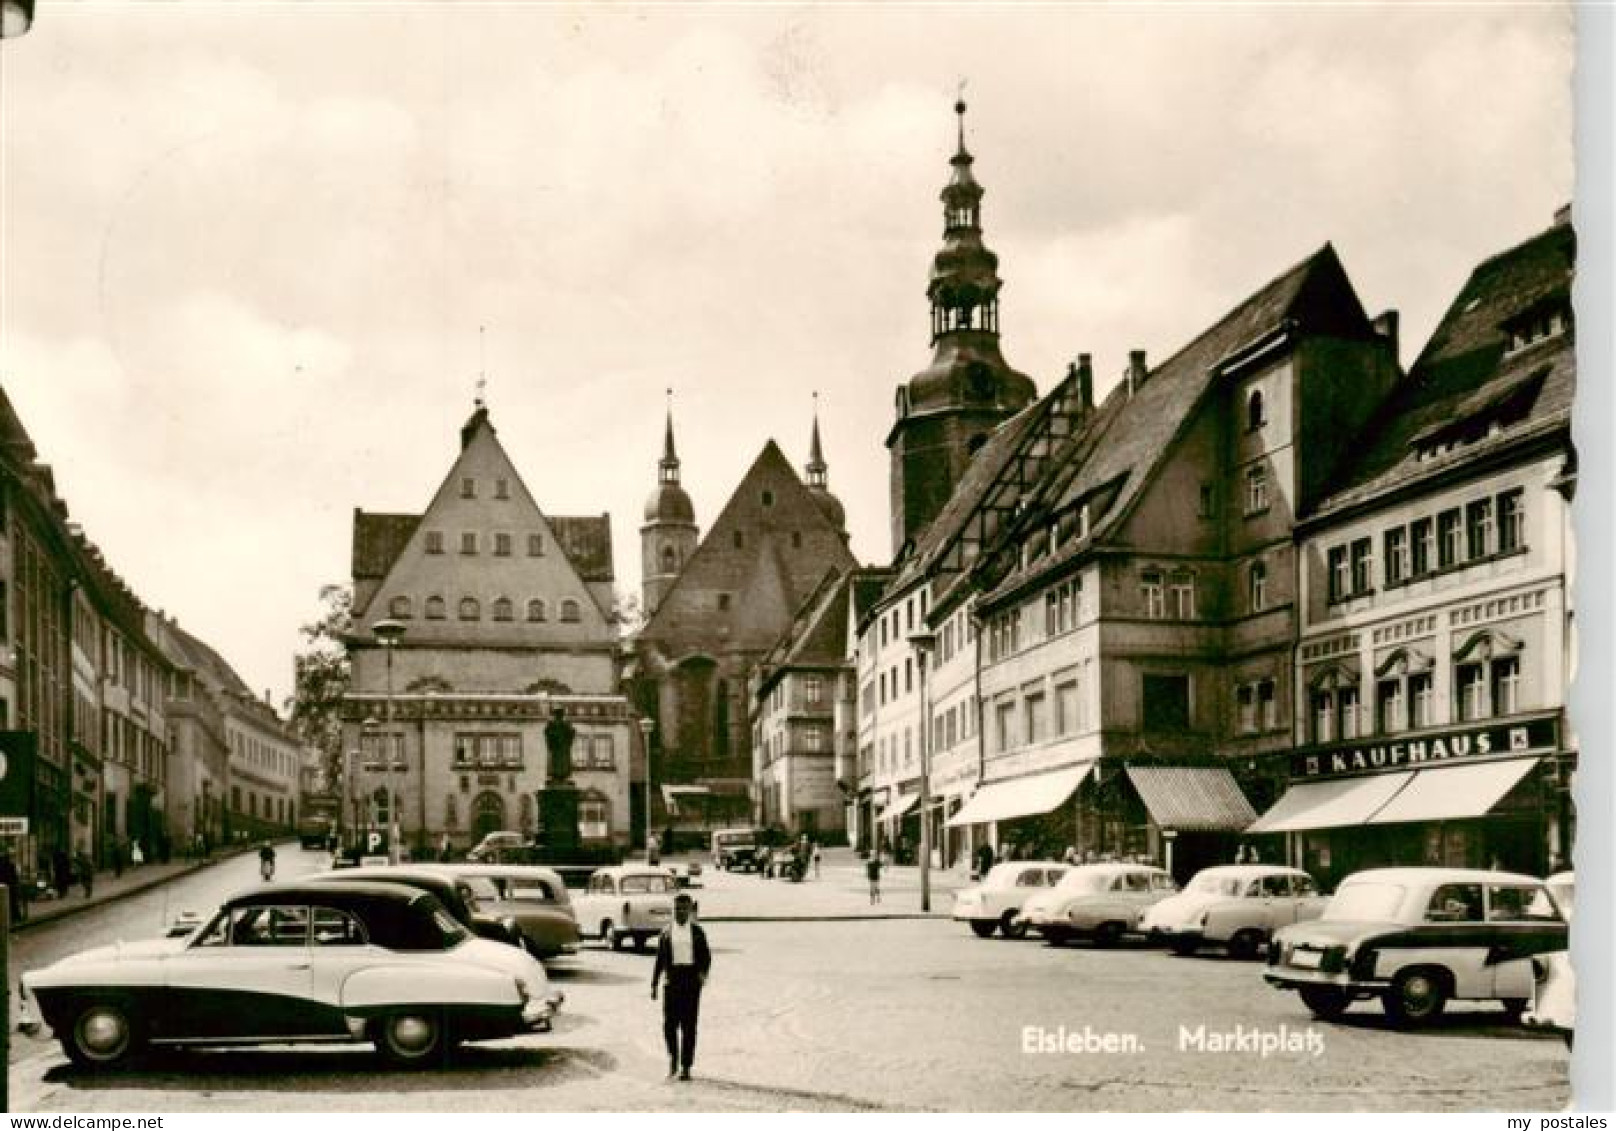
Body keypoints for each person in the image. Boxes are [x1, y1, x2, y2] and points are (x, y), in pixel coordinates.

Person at [650, 892, 710, 1081]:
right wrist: (654, 983)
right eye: (677, 909)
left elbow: (706, 957)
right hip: (672, 980)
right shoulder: (666, 932)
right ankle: (672, 1058)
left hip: (691, 980)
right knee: (669, 1025)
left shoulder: (698, 932)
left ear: (690, 910)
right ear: (673, 910)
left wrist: (701, 975)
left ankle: (686, 1066)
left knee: (689, 1025)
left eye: (684, 909)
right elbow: (659, 959)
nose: (680, 912)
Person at [0, 847, 24, 924]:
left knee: (9, 903)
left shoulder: (6, 865)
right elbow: (15, 876)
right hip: (11, 886)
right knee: (13, 903)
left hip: (5, 886)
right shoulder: (11, 865)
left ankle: (13, 918)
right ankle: (15, 917)